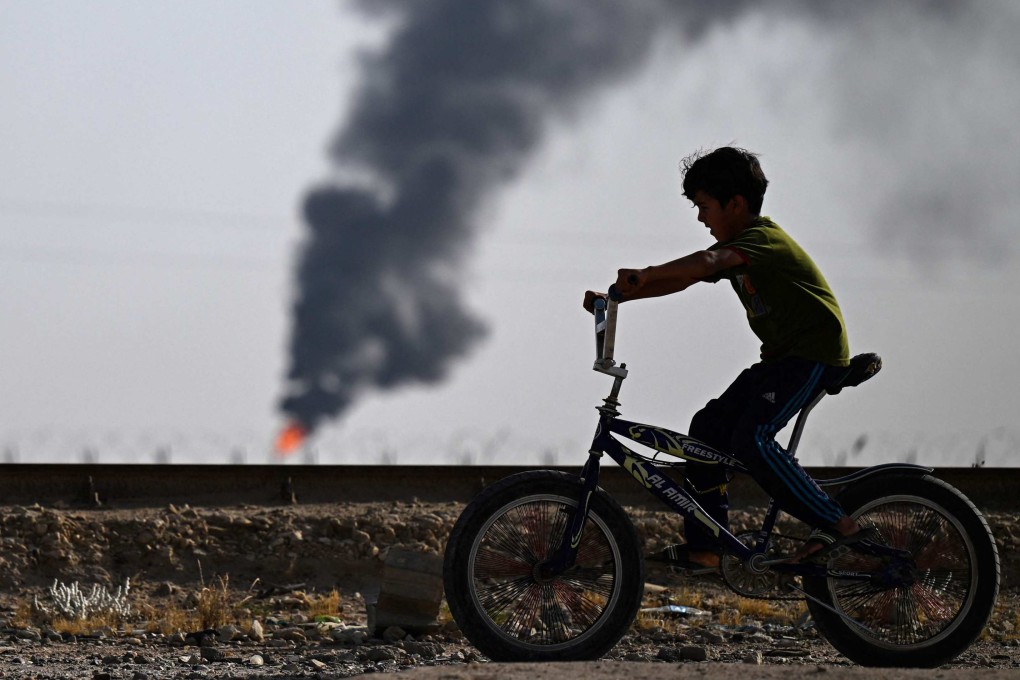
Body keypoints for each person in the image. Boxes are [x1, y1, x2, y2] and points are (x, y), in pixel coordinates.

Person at [583, 146, 872, 570]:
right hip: (779, 360)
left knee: (751, 438)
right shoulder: (738, 247)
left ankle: (839, 524)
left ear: (736, 204)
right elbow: (686, 279)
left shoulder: (761, 240)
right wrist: (620, 295)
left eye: (704, 207)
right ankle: (708, 548)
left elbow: (706, 262)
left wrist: (646, 272)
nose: (701, 218)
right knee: (706, 430)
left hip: (813, 355)